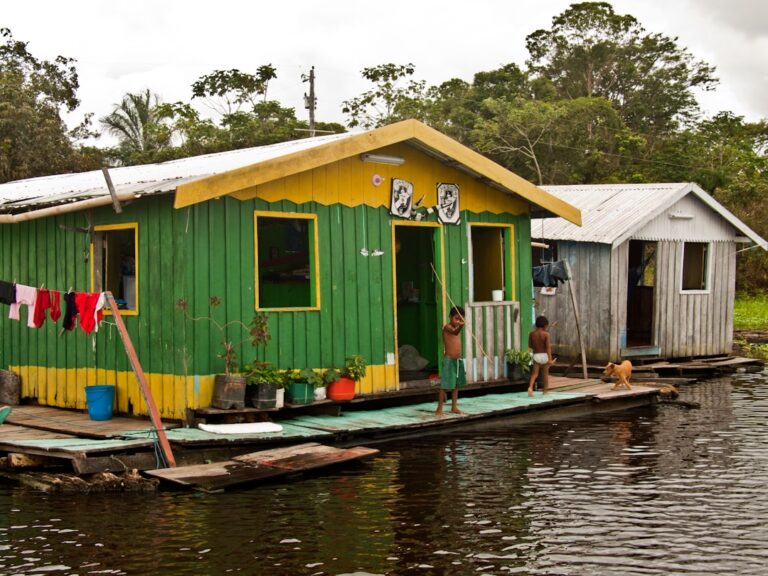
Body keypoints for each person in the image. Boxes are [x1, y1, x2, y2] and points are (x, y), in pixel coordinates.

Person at [437, 306, 466, 416]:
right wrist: (461, 326)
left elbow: (457, 331)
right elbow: (455, 332)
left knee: (456, 385)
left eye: (460, 319)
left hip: (457, 360)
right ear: (450, 317)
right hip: (449, 360)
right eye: (456, 318)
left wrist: (460, 325)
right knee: (445, 385)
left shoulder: (457, 327)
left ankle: (454, 407)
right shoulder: (447, 327)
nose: (458, 321)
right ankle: (439, 409)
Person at [528, 315, 553, 397]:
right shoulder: (546, 334)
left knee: (535, 374)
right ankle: (545, 391)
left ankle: (530, 387)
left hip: (536, 355)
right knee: (545, 374)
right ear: (545, 325)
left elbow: (530, 345)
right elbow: (548, 347)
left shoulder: (532, 334)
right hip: (544, 356)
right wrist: (550, 359)